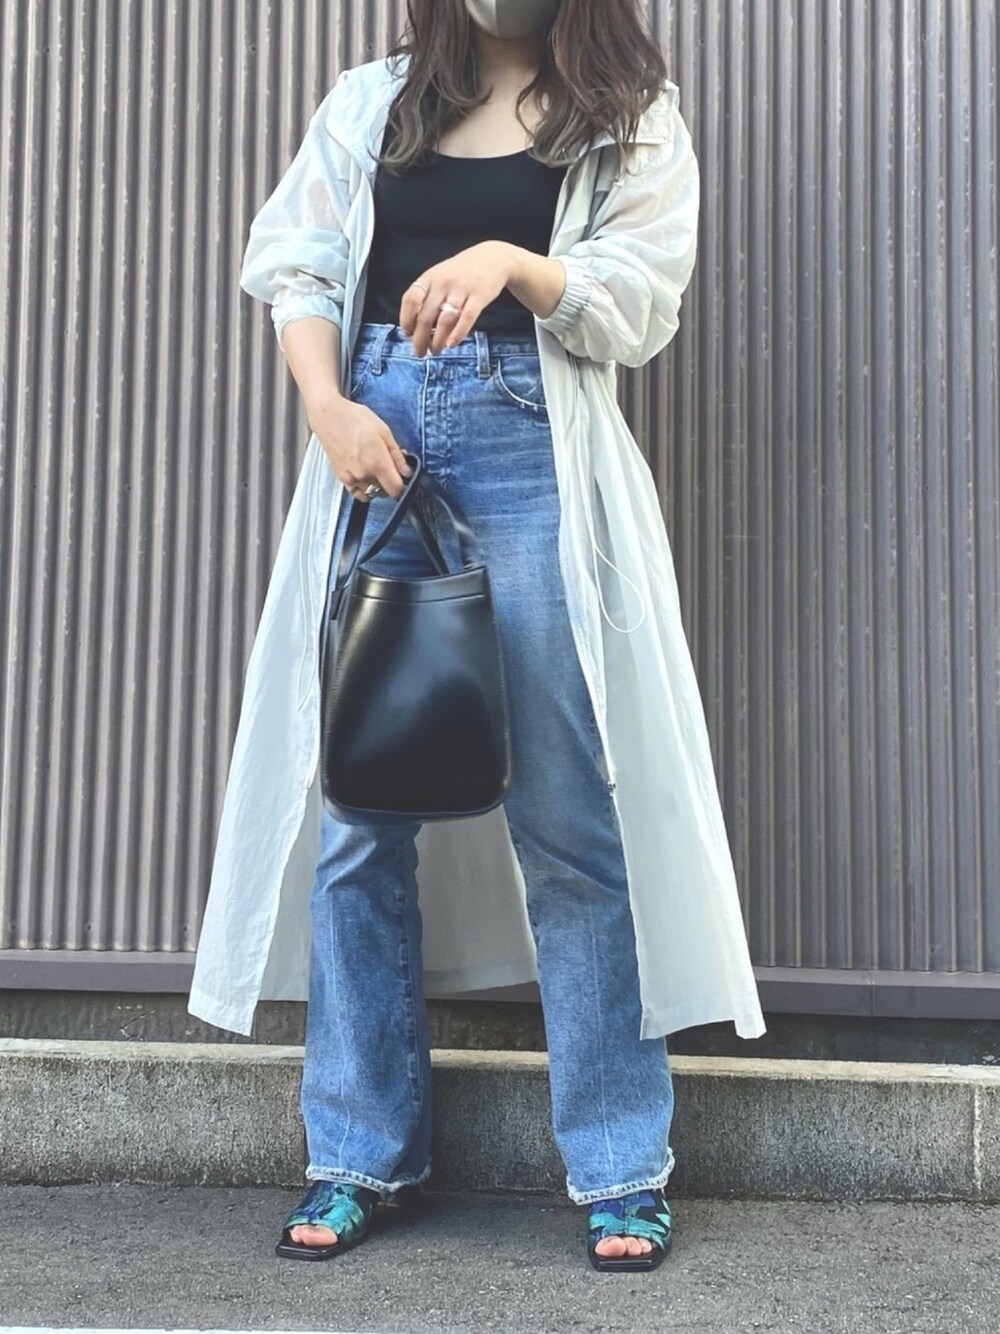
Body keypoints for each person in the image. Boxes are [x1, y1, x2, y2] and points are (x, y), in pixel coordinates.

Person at [213, 0, 750, 1274]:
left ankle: (619, 1165)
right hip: (375, 450)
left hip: (530, 453)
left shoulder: (626, 117)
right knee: (359, 812)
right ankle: (357, 1151)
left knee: (568, 815)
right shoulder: (374, 101)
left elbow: (640, 301)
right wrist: (328, 405)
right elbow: (298, 263)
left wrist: (515, 261)